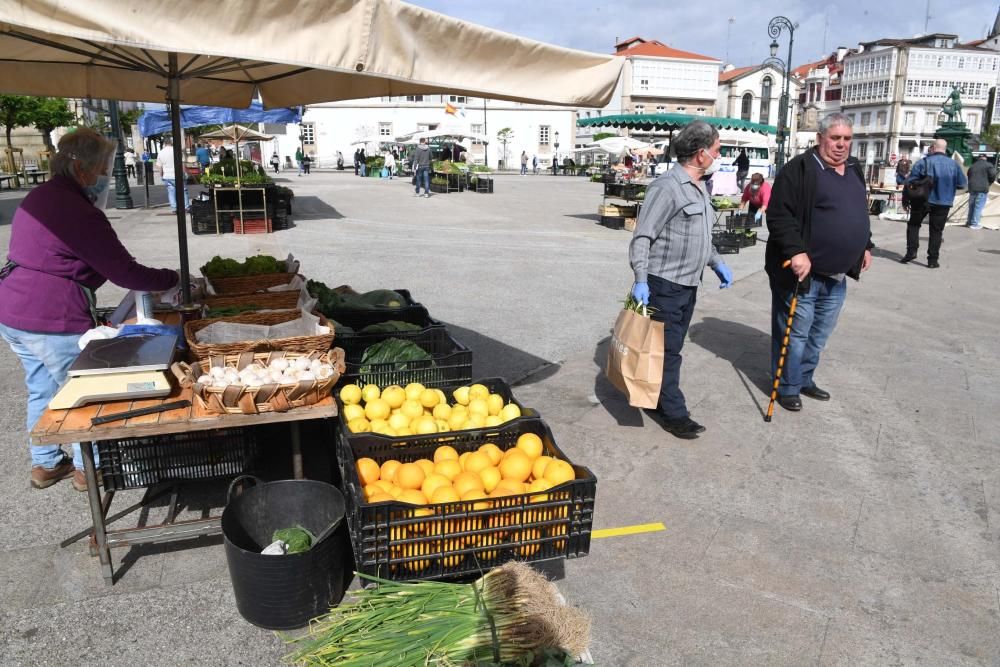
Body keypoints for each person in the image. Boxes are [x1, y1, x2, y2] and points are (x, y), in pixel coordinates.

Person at [0, 128, 179, 491]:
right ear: (82, 168)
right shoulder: (77, 211)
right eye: (101, 169)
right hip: (50, 316)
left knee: (41, 386)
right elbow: (124, 271)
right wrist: (174, 278)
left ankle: (45, 464)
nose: (103, 177)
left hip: (14, 309)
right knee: (81, 391)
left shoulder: (41, 195)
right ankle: (91, 469)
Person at [629, 121, 734, 439]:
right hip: (665, 283)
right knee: (668, 351)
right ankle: (674, 413)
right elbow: (643, 235)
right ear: (701, 154)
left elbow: (700, 234)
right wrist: (641, 279)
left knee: (663, 349)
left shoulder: (700, 185)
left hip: (688, 284)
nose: (720, 154)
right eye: (717, 149)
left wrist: (716, 262)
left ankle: (655, 398)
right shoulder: (667, 187)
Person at [765, 112, 873, 413]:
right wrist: (796, 251)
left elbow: (857, 211)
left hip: (838, 274)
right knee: (795, 332)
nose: (841, 145)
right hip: (803, 273)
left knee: (820, 333)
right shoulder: (799, 169)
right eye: (835, 138)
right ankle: (787, 386)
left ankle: (803, 378)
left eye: (847, 139)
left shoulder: (853, 168)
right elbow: (778, 215)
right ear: (820, 138)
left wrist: (865, 244)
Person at [901, 139, 968, 267]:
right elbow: (962, 184)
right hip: (944, 201)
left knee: (914, 225)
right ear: (945, 149)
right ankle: (932, 260)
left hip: (921, 200)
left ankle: (911, 251)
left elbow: (910, 182)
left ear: (932, 148)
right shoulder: (954, 165)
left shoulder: (923, 162)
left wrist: (907, 197)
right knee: (937, 231)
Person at [155, 137, 189, 213]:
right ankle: (186, 207)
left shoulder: (161, 152)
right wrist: (184, 173)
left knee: (171, 192)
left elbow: (159, 166)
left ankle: (174, 208)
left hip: (167, 175)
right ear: (171, 142)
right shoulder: (177, 150)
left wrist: (161, 175)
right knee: (183, 191)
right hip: (178, 174)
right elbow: (182, 163)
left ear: (164, 143)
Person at [966, 154, 996, 230]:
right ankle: (975, 223)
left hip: (972, 188)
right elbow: (993, 175)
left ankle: (969, 222)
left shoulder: (972, 166)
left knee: (971, 206)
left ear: (978, 158)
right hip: (982, 188)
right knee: (978, 206)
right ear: (985, 158)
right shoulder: (988, 165)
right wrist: (989, 183)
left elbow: (968, 175)